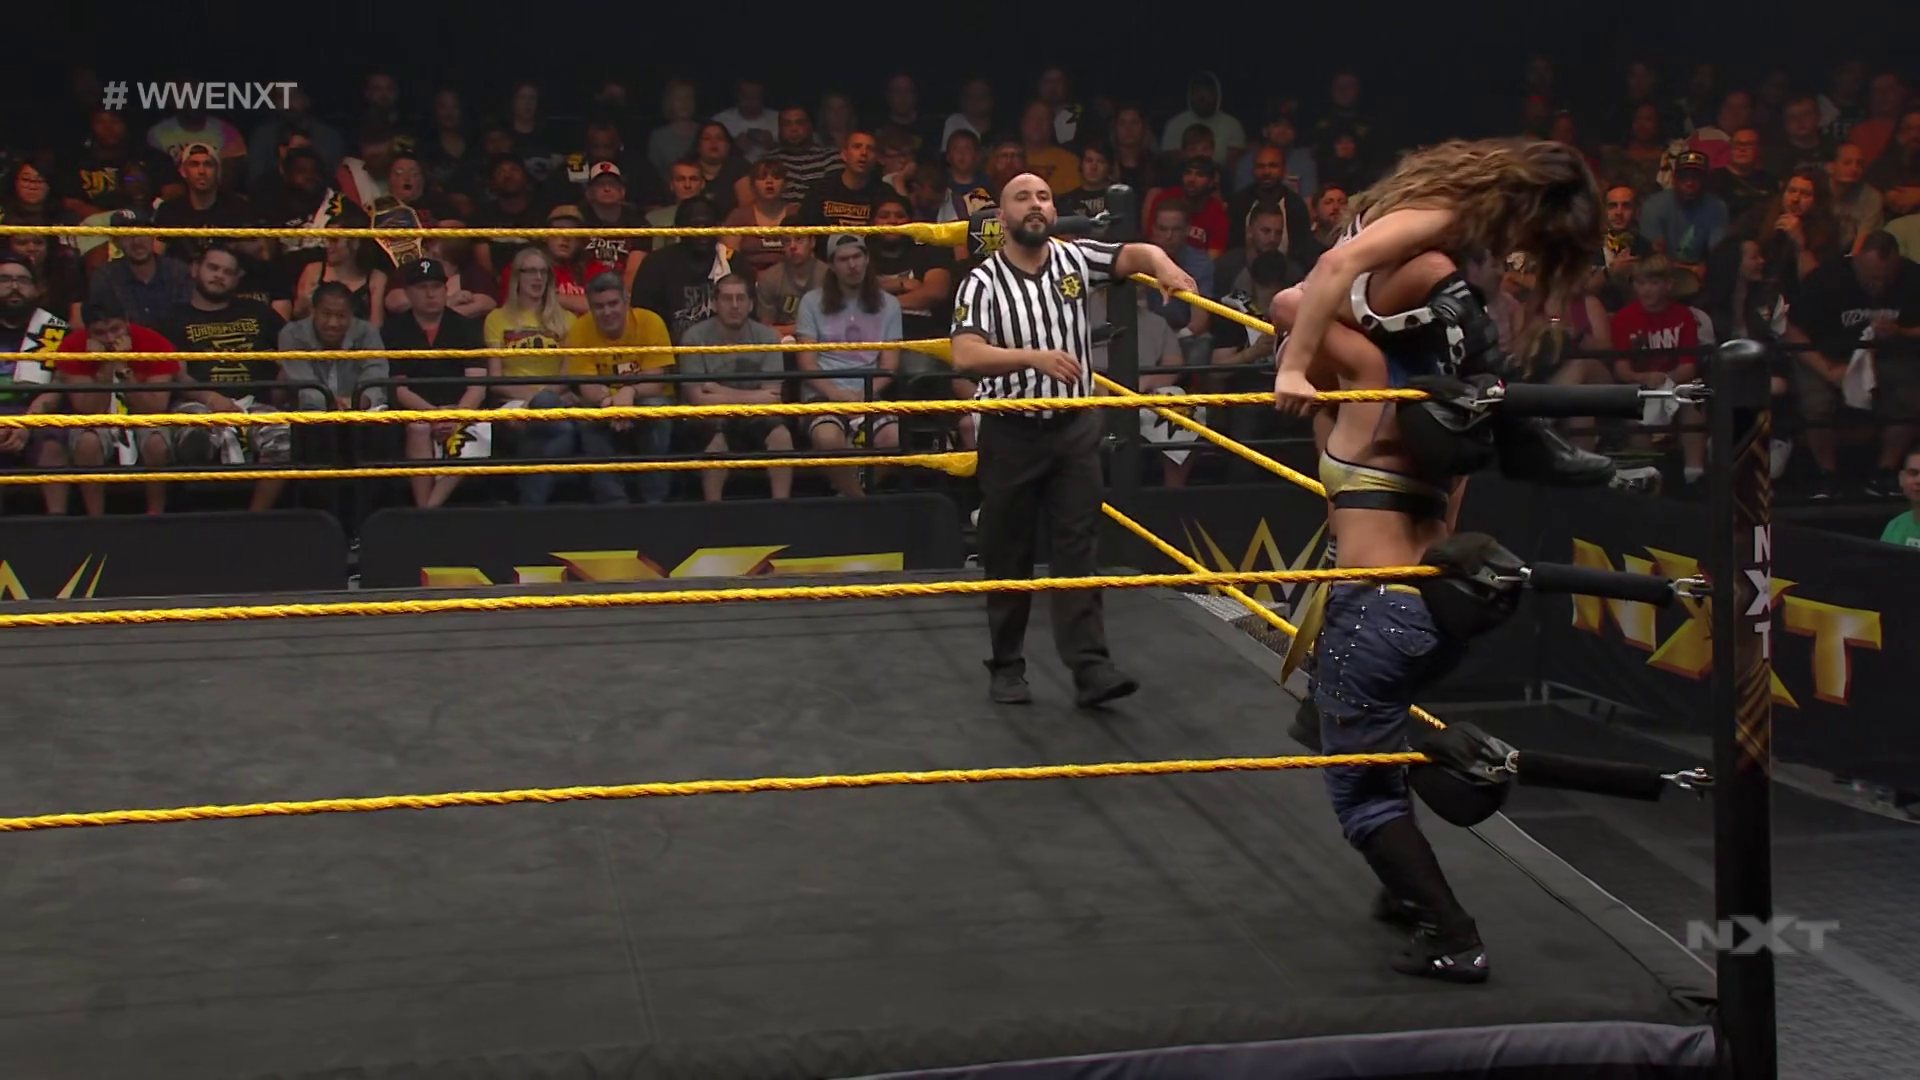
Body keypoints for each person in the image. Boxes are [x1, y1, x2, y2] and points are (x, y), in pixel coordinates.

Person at [1270, 138, 1608, 983]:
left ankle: (1453, 936)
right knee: (1379, 743)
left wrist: (1296, 362)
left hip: (1372, 617)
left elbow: (1292, 299)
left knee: (1360, 793)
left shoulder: (1367, 384)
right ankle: (1401, 889)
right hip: (1435, 617)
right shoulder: (1442, 439)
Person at [948, 172, 1196, 708]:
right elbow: (965, 353)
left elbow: (1132, 253)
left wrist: (1165, 265)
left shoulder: (1075, 258)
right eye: (1022, 198)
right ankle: (1007, 666)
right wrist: (1032, 358)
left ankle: (1090, 668)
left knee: (1078, 546)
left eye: (1043, 197)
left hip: (1073, 430)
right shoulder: (983, 281)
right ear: (1003, 218)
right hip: (1011, 431)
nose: (1035, 205)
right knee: (1008, 552)